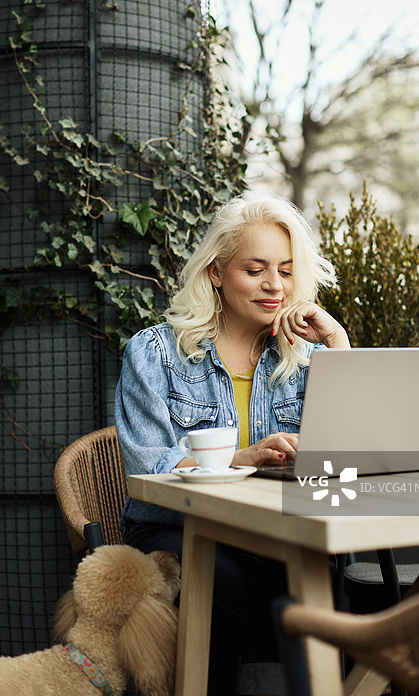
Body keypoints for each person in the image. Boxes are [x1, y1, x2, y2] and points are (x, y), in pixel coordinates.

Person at [115, 193, 350, 696]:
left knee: (318, 570)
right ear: (217, 272)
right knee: (227, 579)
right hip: (179, 529)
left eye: (286, 271)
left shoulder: (304, 356)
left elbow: (350, 450)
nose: (274, 286)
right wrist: (235, 461)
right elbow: (146, 463)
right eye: (256, 269)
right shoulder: (155, 353)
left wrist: (338, 345)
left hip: (278, 527)